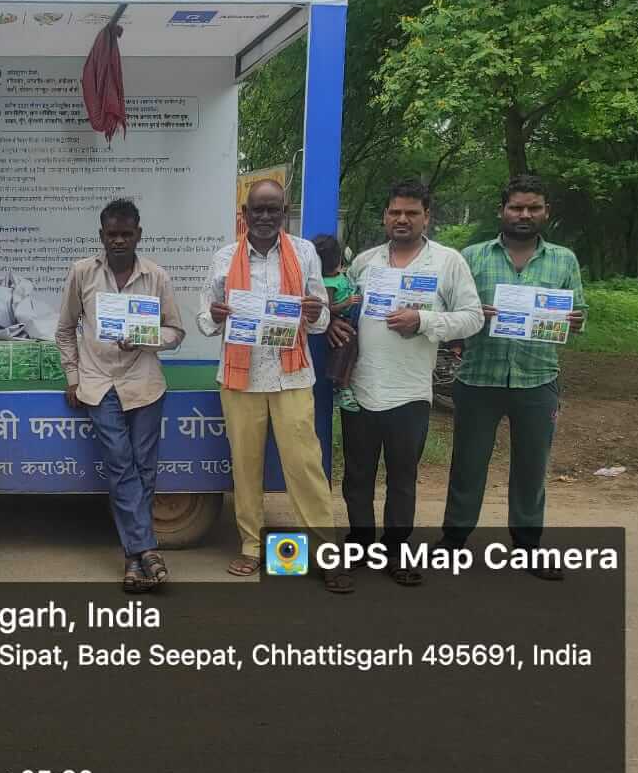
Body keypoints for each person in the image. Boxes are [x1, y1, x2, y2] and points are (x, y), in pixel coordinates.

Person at [326, 180, 483, 585]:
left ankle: (396, 550)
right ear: (385, 216)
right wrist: (334, 325)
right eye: (395, 212)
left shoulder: (447, 262)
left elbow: (473, 317)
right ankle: (360, 543)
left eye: (412, 213)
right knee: (357, 476)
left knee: (402, 478)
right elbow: (344, 307)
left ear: (426, 217)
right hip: (360, 388)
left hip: (411, 391)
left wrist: (424, 320)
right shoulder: (364, 262)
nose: (402, 219)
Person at [196, 180, 345, 591]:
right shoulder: (225, 257)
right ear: (244, 213)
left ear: (284, 212)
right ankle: (251, 546)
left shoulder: (305, 252)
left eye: (272, 209)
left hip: (292, 375)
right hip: (239, 378)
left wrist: (315, 313)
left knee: (305, 465)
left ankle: (325, 551)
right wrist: (215, 315)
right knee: (245, 466)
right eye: (257, 210)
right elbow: (204, 320)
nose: (264, 217)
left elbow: (321, 319)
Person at [440, 175, 587, 579]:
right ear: (501, 211)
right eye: (516, 207)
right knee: (467, 465)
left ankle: (527, 547)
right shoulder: (471, 257)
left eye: (533, 208)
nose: (524, 214)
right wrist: (472, 315)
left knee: (531, 468)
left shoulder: (564, 260)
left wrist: (574, 321)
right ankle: (453, 541)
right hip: (478, 378)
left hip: (537, 380)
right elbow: (449, 312)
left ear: (545, 212)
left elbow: (579, 313)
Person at [56, 198, 186, 592]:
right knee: (119, 464)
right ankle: (146, 549)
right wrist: (73, 377)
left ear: (138, 235)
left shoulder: (156, 276)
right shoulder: (82, 272)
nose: (118, 241)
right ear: (101, 235)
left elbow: (175, 332)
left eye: (126, 234)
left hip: (145, 383)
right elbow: (65, 330)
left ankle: (133, 559)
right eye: (111, 234)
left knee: (144, 468)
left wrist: (146, 337)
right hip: (98, 384)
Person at [312, 234, 361, 412]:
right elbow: (328, 308)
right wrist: (346, 303)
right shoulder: (327, 284)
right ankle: (340, 386)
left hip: (351, 319)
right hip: (341, 321)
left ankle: (343, 385)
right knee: (346, 348)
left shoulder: (339, 275)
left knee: (353, 350)